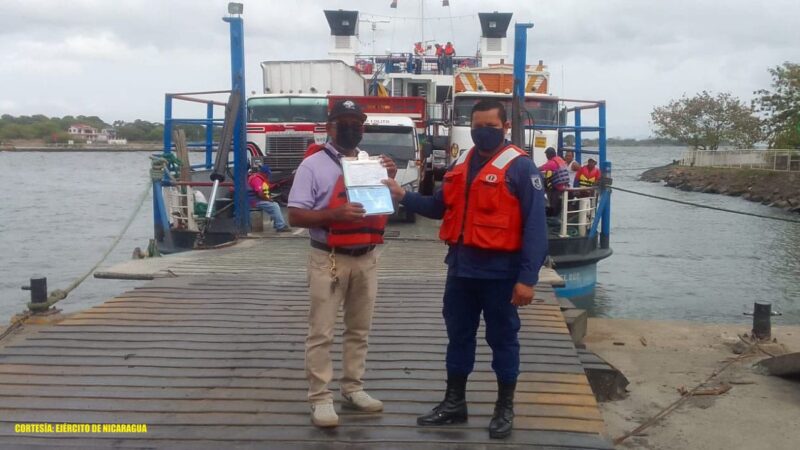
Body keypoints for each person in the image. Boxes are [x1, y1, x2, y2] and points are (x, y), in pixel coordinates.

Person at [383, 99, 548, 439]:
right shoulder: (461, 163)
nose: (483, 132)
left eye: (491, 126)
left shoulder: (521, 167)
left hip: (501, 275)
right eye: (477, 126)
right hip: (461, 271)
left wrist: (528, 279)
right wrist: (402, 195)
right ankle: (454, 403)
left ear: (504, 127)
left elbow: (536, 227)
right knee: (458, 337)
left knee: (503, 340)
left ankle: (504, 407)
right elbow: (438, 207)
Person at [287, 99, 397, 428]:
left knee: (360, 328)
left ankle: (353, 387)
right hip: (328, 257)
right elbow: (295, 215)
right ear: (330, 127)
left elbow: (382, 202)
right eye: (344, 122)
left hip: (367, 256)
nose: (352, 128)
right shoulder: (311, 166)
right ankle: (320, 397)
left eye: (357, 123)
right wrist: (334, 214)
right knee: (321, 332)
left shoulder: (370, 163)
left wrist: (389, 177)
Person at [247, 163, 291, 232]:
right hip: (253, 201)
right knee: (274, 206)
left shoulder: (258, 177)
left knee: (274, 204)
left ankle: (278, 224)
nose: (268, 175)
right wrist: (268, 199)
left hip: (255, 199)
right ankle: (280, 226)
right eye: (267, 174)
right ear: (263, 173)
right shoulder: (256, 179)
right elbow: (260, 194)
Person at [538, 147, 571, 216]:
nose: (546, 156)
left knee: (548, 189)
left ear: (549, 155)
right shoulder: (560, 159)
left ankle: (552, 214)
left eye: (546, 154)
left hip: (558, 187)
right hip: (565, 185)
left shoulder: (551, 163)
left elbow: (541, 168)